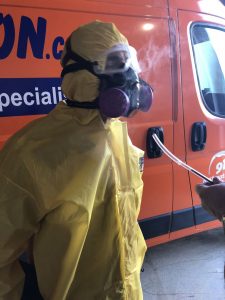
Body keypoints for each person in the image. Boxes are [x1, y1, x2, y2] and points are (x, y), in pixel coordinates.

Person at [0, 20, 153, 299]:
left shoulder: (119, 136)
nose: (129, 76)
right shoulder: (32, 151)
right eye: (114, 65)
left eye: (127, 63)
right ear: (80, 75)